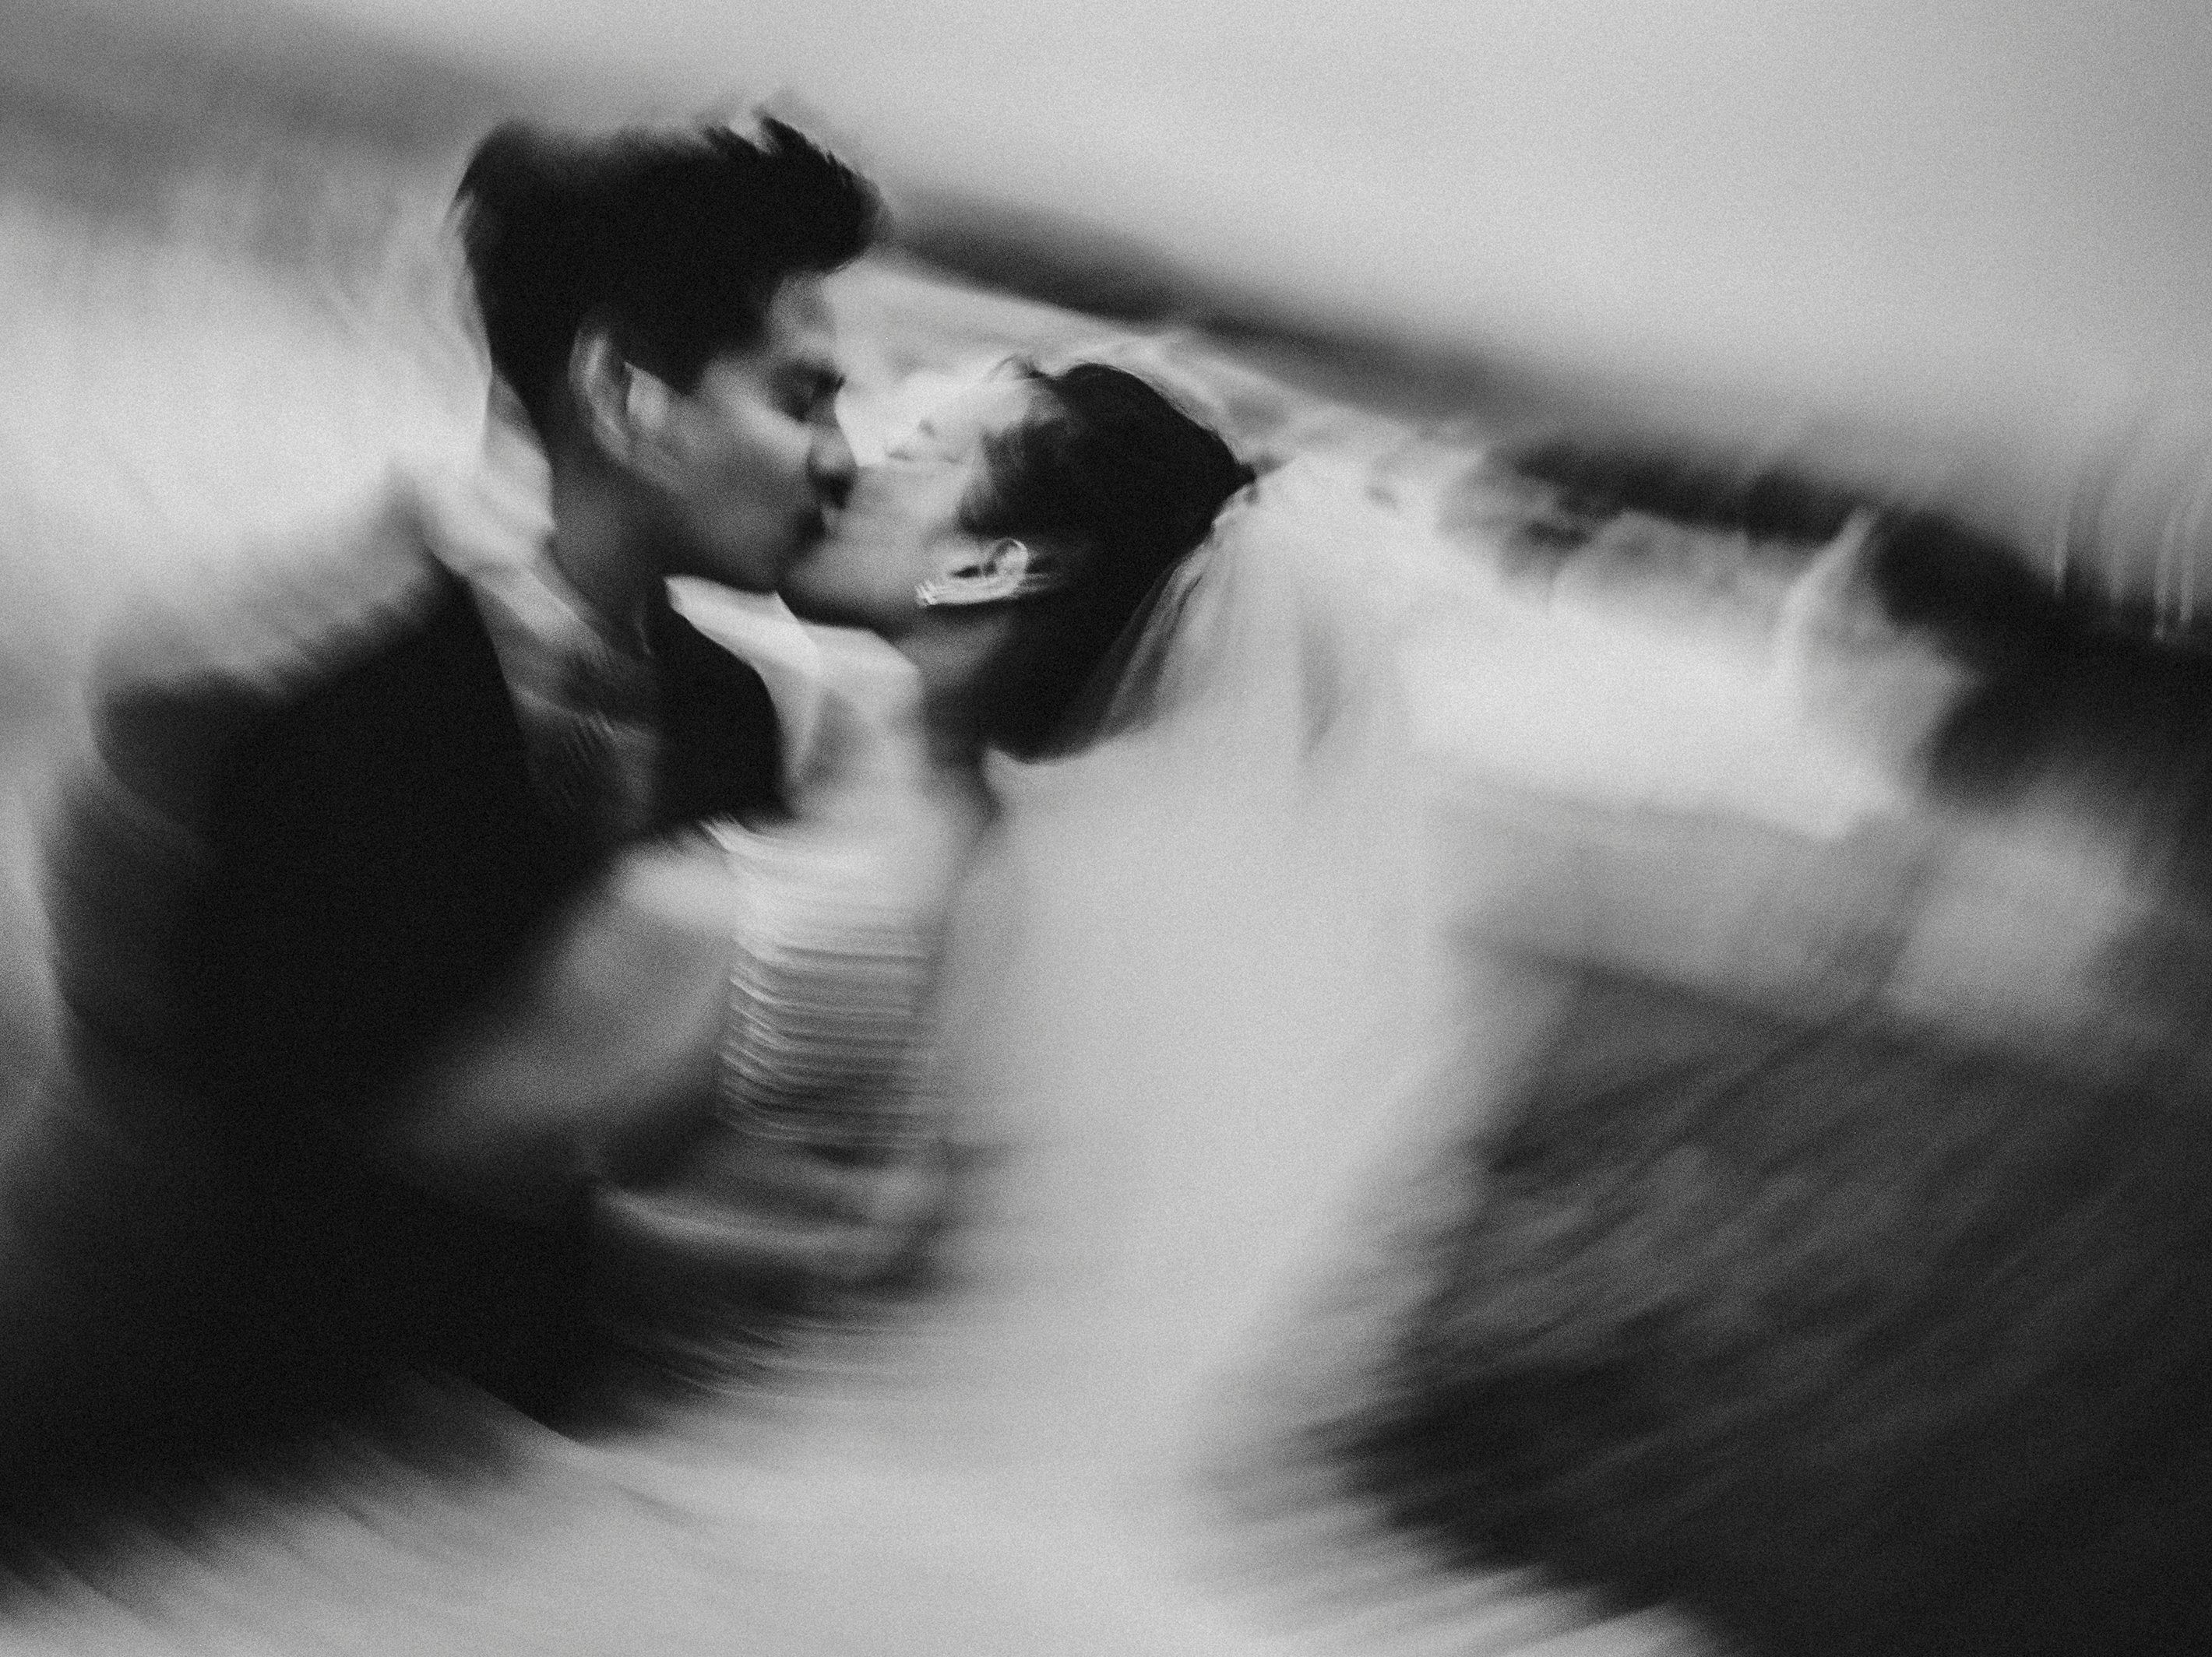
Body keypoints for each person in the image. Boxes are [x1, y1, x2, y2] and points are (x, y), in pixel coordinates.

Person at [3, 115, 882, 1488]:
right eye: (803, 399)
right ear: (628, 394)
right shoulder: (273, 704)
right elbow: (219, 1171)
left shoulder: (736, 722)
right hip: (157, 1451)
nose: (842, 459)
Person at [387, 356, 1258, 1377]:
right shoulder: (1020, 893)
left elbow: (389, 1207)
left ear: (992, 566)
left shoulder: (725, 920)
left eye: (919, 456)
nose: (850, 469)